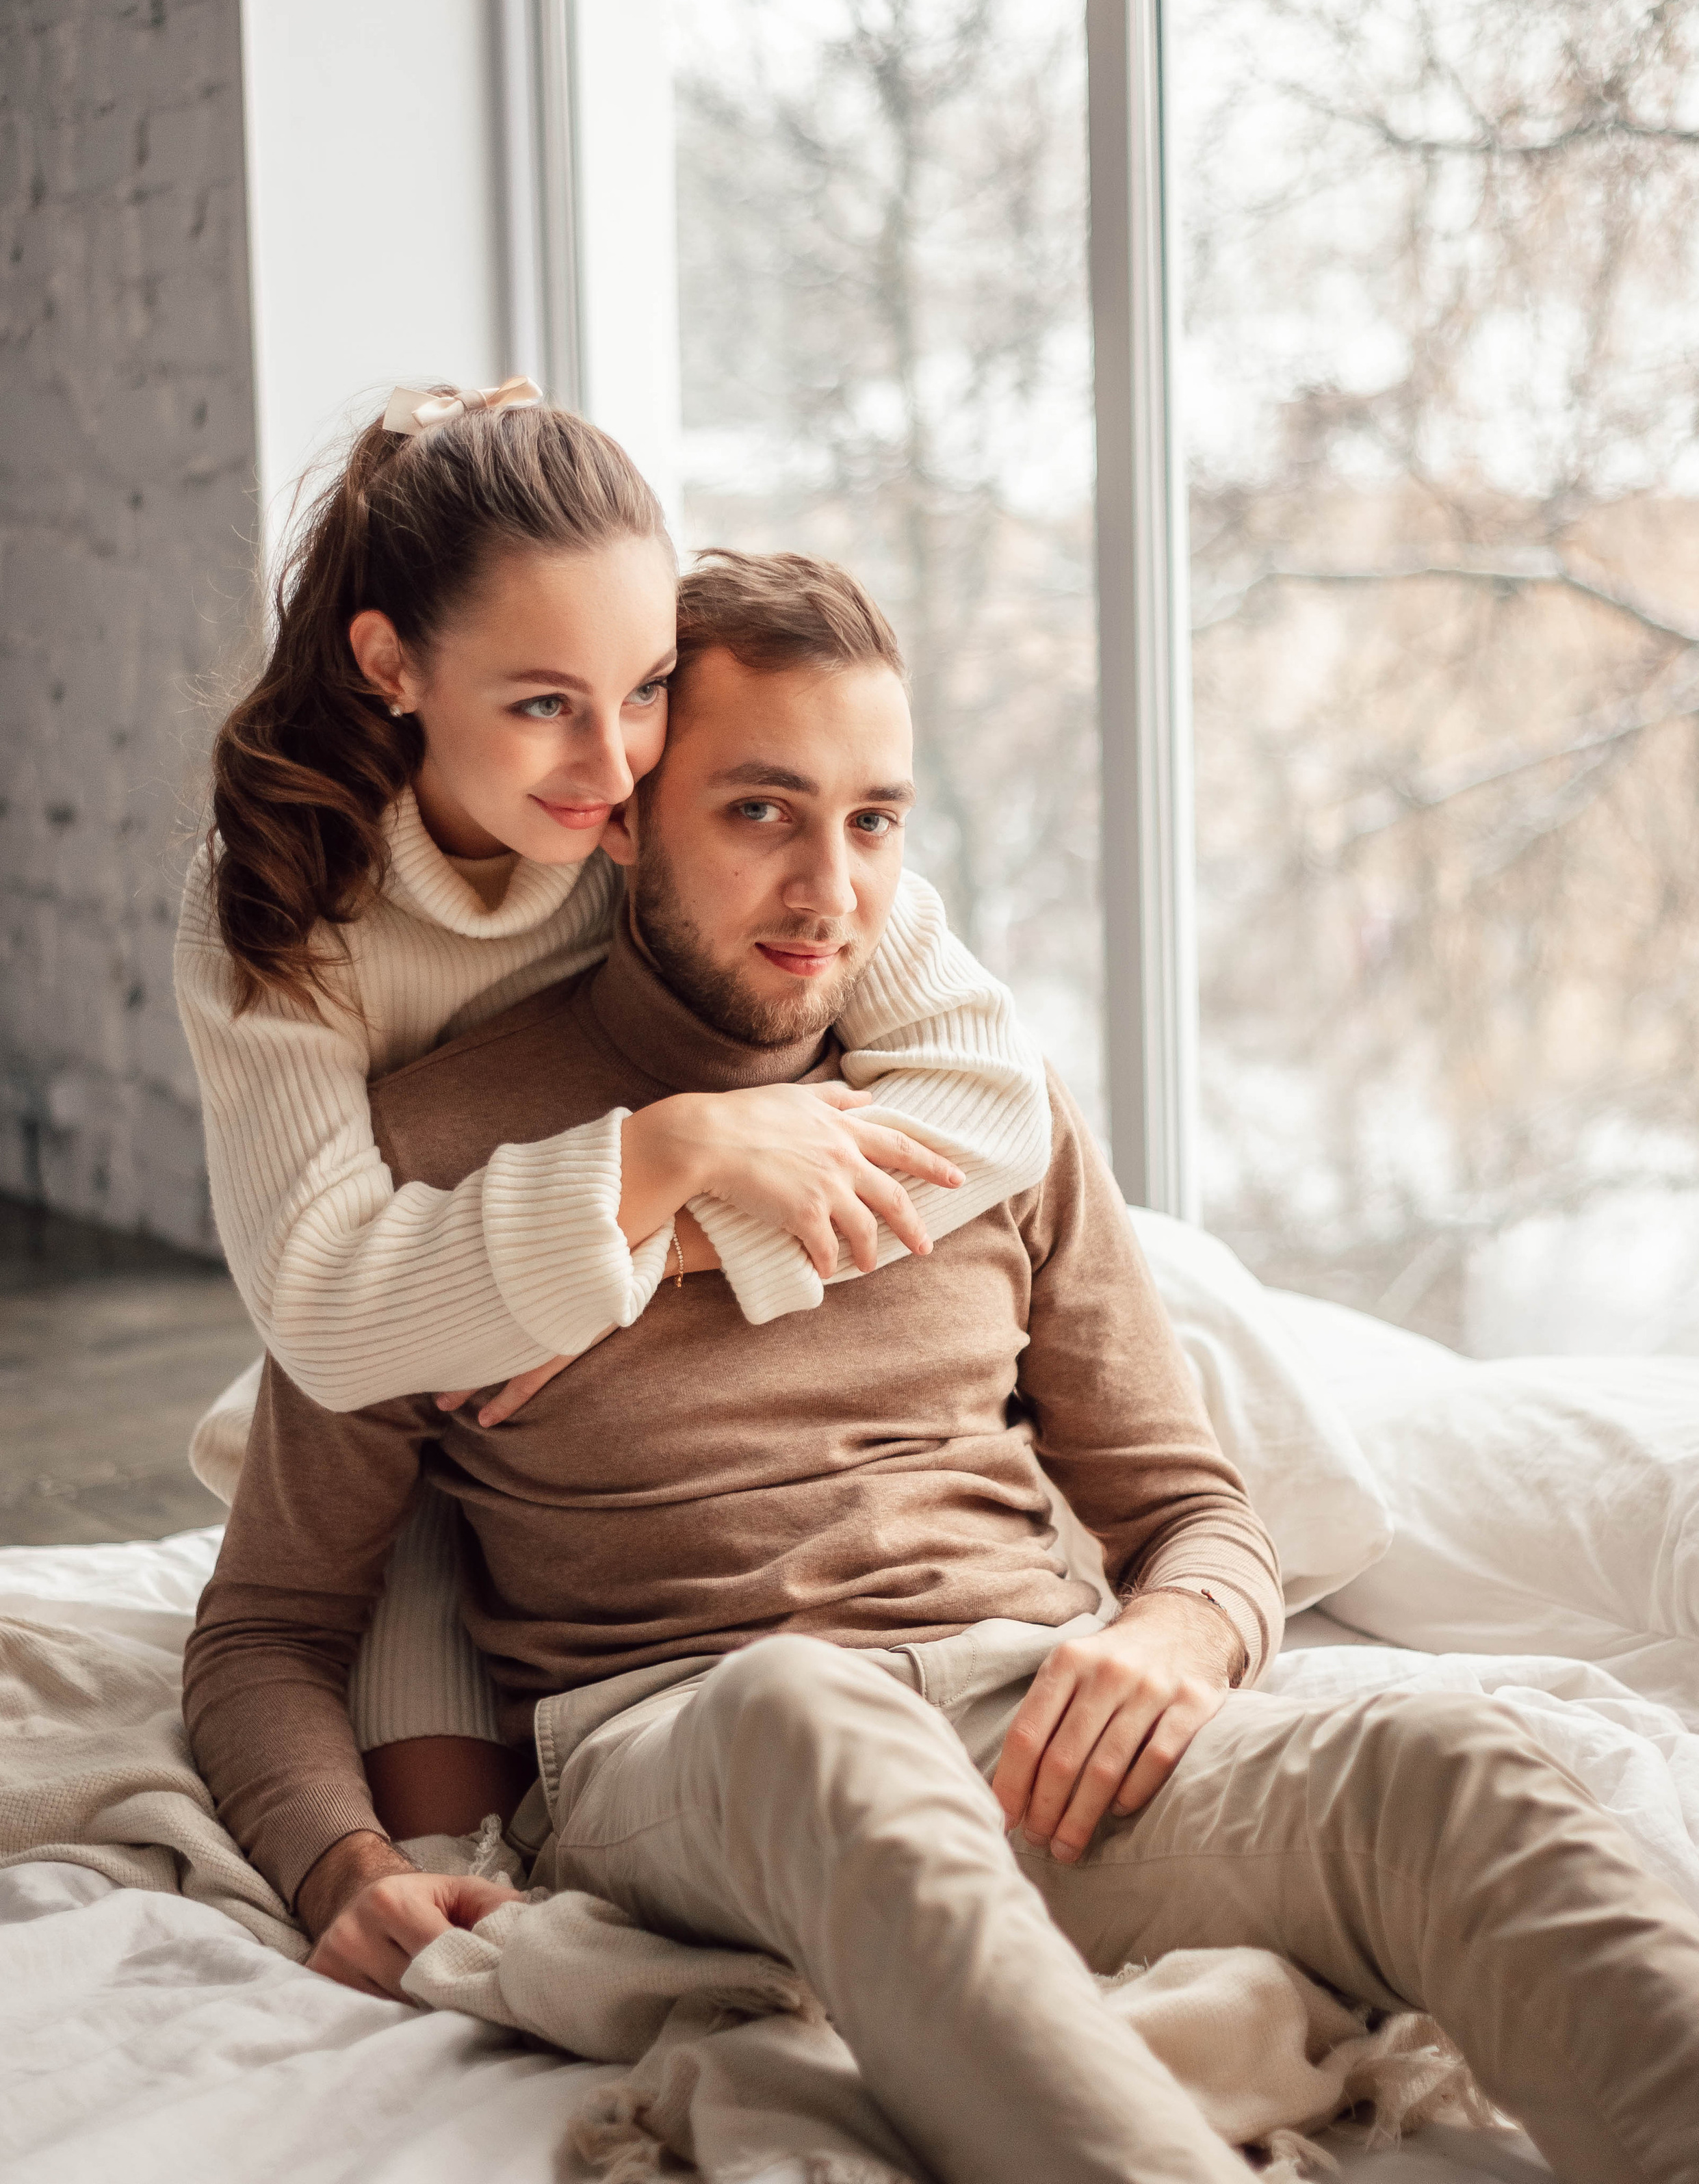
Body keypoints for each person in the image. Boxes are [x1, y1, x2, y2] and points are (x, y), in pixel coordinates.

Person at [185, 552, 1699, 2184]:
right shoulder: (435, 1170)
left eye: (872, 821)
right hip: (701, 1744)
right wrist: (341, 1863)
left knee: (1444, 1769)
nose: (828, 893)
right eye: (760, 812)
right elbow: (268, 1625)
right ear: (626, 815)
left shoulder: (982, 1112)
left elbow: (1192, 1510)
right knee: (804, 1707)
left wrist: (1177, 1630)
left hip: (1030, 1732)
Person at [176, 382, 1052, 1838]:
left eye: (643, 687)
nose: (609, 768)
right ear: (392, 665)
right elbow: (327, 1315)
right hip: (407, 1357)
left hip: (572, 1338)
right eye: (542, 706)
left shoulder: (668, 806)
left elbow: (997, 1097)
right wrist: (668, 1149)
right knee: (423, 1728)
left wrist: (645, 1259)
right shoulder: (280, 902)